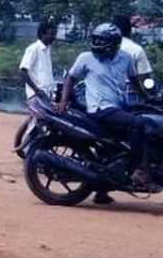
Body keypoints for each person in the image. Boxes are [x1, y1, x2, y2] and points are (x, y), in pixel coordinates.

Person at [59, 23, 152, 193]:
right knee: (138, 124)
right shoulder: (86, 58)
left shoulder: (125, 58)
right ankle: (138, 170)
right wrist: (64, 101)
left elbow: (134, 80)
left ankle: (102, 191)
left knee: (144, 123)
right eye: (96, 40)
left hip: (119, 106)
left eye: (103, 41)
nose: (99, 44)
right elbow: (70, 79)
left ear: (115, 43)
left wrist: (148, 98)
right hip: (100, 109)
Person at [113, 14, 154, 104]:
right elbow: (145, 78)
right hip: (131, 97)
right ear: (130, 31)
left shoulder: (103, 48)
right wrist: (151, 95)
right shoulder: (136, 49)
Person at [19, 21, 56, 101]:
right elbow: (23, 71)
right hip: (36, 96)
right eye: (51, 34)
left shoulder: (47, 50)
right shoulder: (33, 49)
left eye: (54, 34)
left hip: (46, 95)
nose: (54, 37)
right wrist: (36, 90)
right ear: (43, 34)